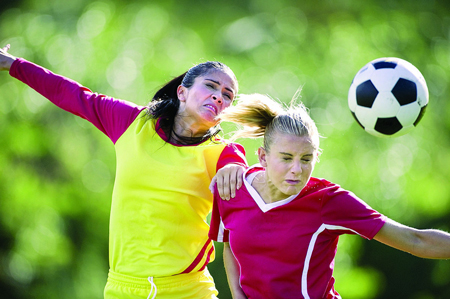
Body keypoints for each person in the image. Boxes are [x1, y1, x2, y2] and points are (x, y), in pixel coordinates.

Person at [0, 44, 248, 299]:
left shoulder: (224, 154)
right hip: (123, 289)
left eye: (228, 95)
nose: (219, 96)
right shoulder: (132, 124)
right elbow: (72, 93)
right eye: (211, 86)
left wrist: (235, 169)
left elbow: (250, 204)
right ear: (182, 93)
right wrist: (12, 64)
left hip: (188, 290)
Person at [208, 93, 450, 299]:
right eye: (286, 158)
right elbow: (230, 243)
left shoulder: (328, 201)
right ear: (262, 157)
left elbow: (414, 239)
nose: (297, 169)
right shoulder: (232, 187)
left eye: (306, 159)